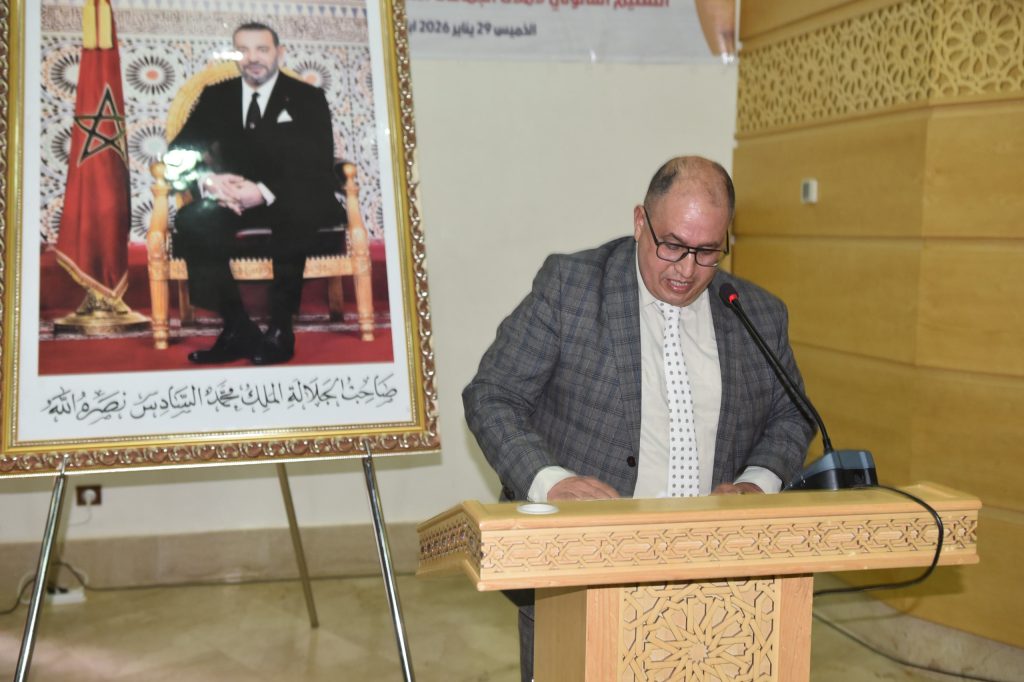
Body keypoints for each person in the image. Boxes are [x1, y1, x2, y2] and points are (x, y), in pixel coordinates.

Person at [462, 156, 816, 682]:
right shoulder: (572, 288)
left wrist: (757, 483)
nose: (685, 269)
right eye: (671, 244)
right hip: (586, 567)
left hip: (717, 577)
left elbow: (793, 414)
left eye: (707, 251)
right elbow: (493, 395)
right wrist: (551, 482)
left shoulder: (757, 312)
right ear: (639, 222)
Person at [169, 22, 344, 365]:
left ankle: (281, 328)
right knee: (192, 219)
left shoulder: (307, 97)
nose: (252, 58)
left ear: (279, 53)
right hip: (234, 198)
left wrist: (263, 191)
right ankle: (237, 327)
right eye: (243, 50)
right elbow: (178, 153)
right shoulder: (217, 96)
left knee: (295, 215)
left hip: (292, 196)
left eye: (262, 49)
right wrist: (208, 181)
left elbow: (317, 163)